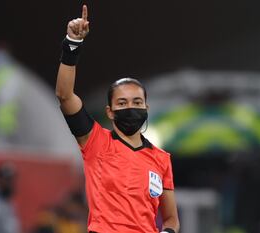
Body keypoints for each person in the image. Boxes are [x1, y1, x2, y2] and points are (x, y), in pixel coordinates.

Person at [55, 5, 180, 233]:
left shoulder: (161, 159)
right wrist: (72, 44)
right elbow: (64, 95)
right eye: (122, 103)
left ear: (146, 107)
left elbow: (171, 219)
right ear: (110, 111)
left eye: (137, 102)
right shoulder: (95, 142)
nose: (130, 108)